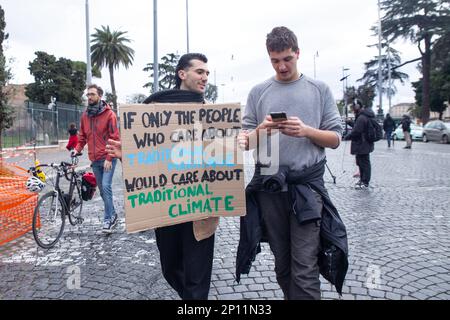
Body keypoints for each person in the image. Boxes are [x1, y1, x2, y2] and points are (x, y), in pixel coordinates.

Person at [238, 26, 346, 300]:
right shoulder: (258, 92)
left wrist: (306, 131)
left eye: (287, 58)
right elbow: (245, 142)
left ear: (298, 53)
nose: (282, 66)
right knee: (283, 265)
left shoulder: (319, 89)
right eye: (275, 60)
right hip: (270, 188)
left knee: (304, 267)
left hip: (307, 189)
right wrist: (263, 129)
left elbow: (335, 138)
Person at [106, 53, 218, 300]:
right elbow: (147, 157)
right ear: (182, 74)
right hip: (166, 205)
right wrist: (127, 156)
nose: (205, 77)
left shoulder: (212, 114)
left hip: (201, 207)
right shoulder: (153, 109)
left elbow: (223, 158)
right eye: (200, 72)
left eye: (207, 73)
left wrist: (234, 146)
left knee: (197, 280)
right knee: (170, 268)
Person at [73, 84, 120, 234]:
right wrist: (76, 150)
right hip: (94, 160)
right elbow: (82, 137)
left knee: (106, 186)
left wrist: (109, 157)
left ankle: (108, 220)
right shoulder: (85, 116)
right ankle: (113, 215)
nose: (89, 97)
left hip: (108, 158)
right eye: (88, 95)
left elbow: (114, 138)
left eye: (92, 94)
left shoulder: (109, 115)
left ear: (99, 95)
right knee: (101, 190)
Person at [344, 100, 375, 189]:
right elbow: (358, 127)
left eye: (354, 107)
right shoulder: (363, 116)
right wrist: (350, 122)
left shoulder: (361, 117)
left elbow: (357, 131)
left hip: (362, 143)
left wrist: (346, 137)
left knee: (364, 163)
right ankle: (362, 180)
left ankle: (365, 182)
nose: (353, 109)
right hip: (363, 143)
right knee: (361, 162)